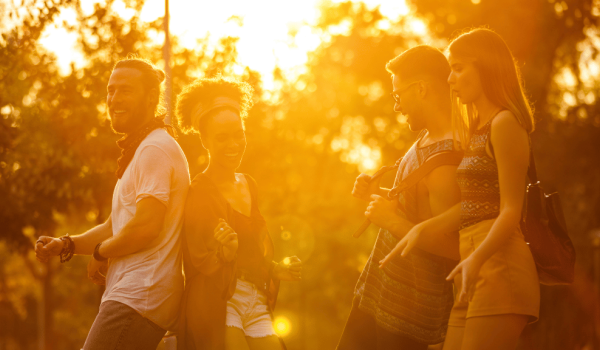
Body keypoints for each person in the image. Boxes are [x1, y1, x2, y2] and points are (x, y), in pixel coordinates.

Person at [381, 28, 540, 350]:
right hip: (472, 266)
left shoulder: (506, 123)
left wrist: (476, 258)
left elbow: (510, 209)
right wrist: (422, 228)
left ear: (485, 67)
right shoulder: (477, 129)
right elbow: (477, 204)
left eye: (458, 68)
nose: (450, 79)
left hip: (499, 266)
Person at [34, 57, 190, 349]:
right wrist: (66, 244)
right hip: (136, 294)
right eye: (111, 90)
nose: (114, 98)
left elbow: (146, 226)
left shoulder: (154, 149)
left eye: (126, 90)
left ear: (151, 98)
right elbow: (115, 225)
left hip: (140, 294)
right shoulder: (144, 149)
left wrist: (101, 253)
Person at [337, 45, 463, 350]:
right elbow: (418, 212)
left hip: (408, 314)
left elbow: (454, 249)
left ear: (421, 89)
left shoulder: (446, 161)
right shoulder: (426, 138)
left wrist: (390, 220)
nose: (397, 106)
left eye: (398, 96)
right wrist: (376, 194)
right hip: (379, 297)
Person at [175, 76, 302, 350]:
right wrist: (224, 253)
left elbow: (252, 252)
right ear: (205, 140)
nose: (234, 144)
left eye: (239, 134)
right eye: (222, 137)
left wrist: (276, 269)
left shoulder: (248, 183)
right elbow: (198, 262)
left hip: (253, 299)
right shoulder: (199, 192)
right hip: (218, 302)